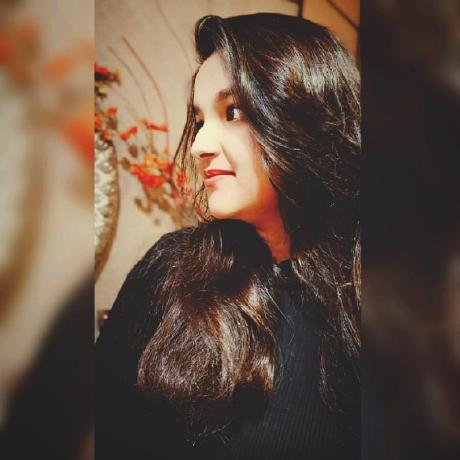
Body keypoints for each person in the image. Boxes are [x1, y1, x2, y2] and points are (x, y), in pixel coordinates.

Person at [96, 13, 361, 460]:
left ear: (304, 116)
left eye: (232, 112)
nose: (199, 145)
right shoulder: (170, 271)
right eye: (200, 119)